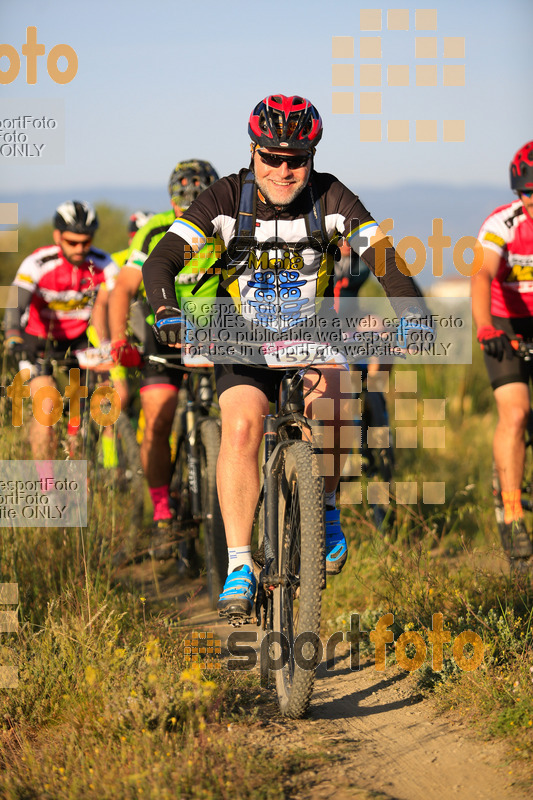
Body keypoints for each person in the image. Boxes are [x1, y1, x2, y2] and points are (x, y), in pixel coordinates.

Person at [141, 94, 425, 616]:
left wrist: (412, 312)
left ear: (312, 157)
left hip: (308, 332)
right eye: (272, 158)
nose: (284, 170)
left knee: (338, 406)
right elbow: (161, 260)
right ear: (254, 152)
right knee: (244, 426)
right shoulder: (222, 197)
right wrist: (166, 313)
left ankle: (327, 511)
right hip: (240, 337)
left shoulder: (332, 197)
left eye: (296, 159)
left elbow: (384, 258)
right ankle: (240, 561)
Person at [108, 160, 220, 550]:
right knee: (158, 414)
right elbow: (123, 288)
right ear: (170, 199)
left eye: (196, 201)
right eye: (180, 201)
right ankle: (160, 507)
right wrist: (121, 339)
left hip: (214, 330)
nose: (186, 210)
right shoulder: (154, 229)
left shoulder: (224, 224)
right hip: (163, 332)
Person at [3, 200, 118, 465]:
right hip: (36, 343)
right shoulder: (38, 262)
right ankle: (47, 485)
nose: (79, 249)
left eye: (86, 242)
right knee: (47, 405)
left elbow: (123, 301)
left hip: (77, 342)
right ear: (58, 237)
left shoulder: (103, 263)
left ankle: (112, 469)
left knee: (107, 395)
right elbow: (15, 302)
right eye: (72, 242)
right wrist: (12, 334)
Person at [472, 140, 533, 567]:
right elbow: (481, 275)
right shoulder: (503, 224)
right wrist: (485, 328)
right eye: (527, 194)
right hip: (504, 323)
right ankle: (512, 511)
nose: (531, 202)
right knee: (516, 413)